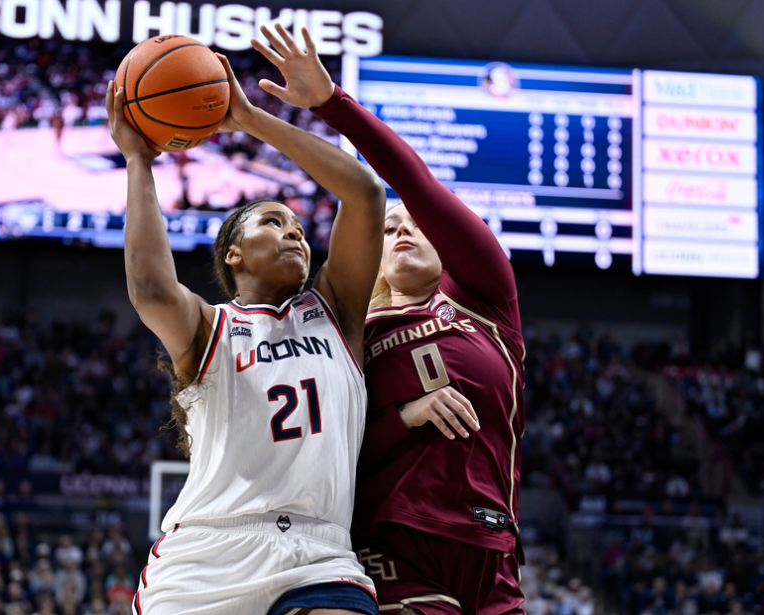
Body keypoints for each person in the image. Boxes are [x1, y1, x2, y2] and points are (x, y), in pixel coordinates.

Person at [254, 25, 526, 615]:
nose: (403, 231)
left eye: (417, 224)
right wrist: (405, 415)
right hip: (391, 547)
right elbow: (331, 450)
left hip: (492, 547)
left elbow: (413, 183)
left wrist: (331, 103)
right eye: (388, 228)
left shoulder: (486, 298)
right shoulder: (349, 332)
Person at [106, 48, 386, 615]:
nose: (294, 233)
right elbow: (152, 290)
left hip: (319, 553)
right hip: (208, 553)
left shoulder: (336, 311)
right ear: (233, 254)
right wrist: (139, 162)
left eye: (299, 227)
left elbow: (365, 194)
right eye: (273, 222)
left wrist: (250, 118)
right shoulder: (209, 327)